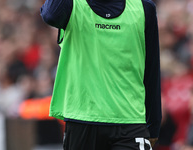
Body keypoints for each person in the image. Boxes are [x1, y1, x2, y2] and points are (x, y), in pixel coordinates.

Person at [40, 0, 161, 149]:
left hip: (130, 120)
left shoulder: (143, 7)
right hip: (82, 120)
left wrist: (153, 124)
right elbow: (50, 15)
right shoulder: (72, 5)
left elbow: (152, 68)